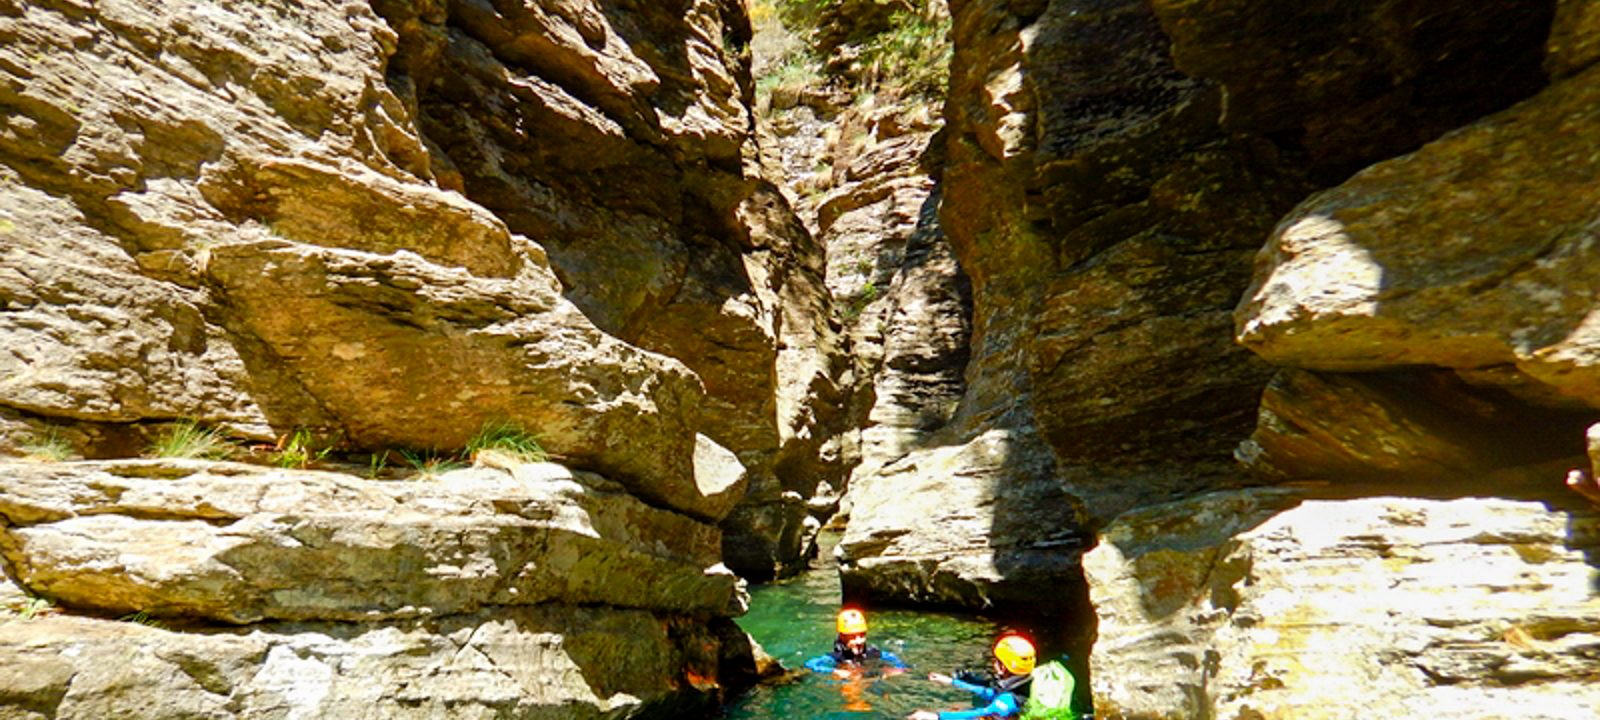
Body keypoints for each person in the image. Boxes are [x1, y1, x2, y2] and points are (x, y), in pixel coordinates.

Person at [908, 634, 1036, 720]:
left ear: (1003, 667)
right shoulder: (1015, 688)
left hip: (988, 715)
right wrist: (951, 681)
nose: (992, 663)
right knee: (955, 709)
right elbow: (987, 692)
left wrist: (936, 716)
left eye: (996, 661)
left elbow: (979, 713)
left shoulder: (1007, 701)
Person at [805, 607, 907, 676]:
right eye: (853, 637)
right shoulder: (836, 657)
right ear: (843, 637)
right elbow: (810, 664)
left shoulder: (871, 653)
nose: (858, 641)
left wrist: (898, 668)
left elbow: (892, 657)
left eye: (862, 635)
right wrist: (834, 671)